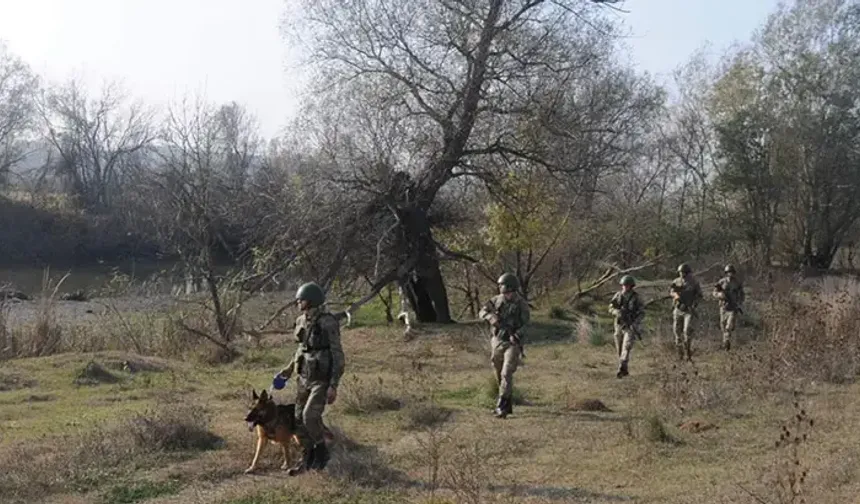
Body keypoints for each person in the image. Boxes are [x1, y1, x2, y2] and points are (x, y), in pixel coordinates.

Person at [276, 282, 345, 475]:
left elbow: (337, 354)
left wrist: (333, 385)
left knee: (310, 416)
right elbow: (301, 349)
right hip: (304, 376)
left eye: (302, 299)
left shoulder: (327, 322)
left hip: (321, 380)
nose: (298, 302)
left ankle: (322, 453)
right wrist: (289, 370)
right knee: (298, 419)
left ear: (312, 301)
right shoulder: (301, 321)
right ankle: (308, 457)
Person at [478, 273, 530, 419]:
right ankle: (507, 402)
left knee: (506, 373)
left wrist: (517, 335)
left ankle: (502, 406)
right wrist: (490, 317)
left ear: (510, 287)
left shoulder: (521, 304)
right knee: (497, 370)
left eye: (502, 285)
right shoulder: (496, 300)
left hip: (512, 343)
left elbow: (526, 324)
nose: (500, 287)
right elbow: (482, 311)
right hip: (497, 340)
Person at [608, 275, 645, 378]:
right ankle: (624, 368)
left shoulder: (636, 297)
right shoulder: (618, 295)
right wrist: (616, 312)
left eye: (627, 285)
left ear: (631, 286)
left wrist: (635, 323)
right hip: (619, 325)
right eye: (623, 285)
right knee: (619, 347)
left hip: (630, 325)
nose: (625, 287)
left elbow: (642, 312)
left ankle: (621, 367)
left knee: (627, 346)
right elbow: (610, 308)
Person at [669, 263, 703, 361]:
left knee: (687, 331)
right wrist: (675, 295)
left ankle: (688, 353)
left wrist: (694, 304)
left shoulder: (694, 282)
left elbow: (699, 295)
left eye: (683, 272)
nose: (681, 274)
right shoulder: (676, 281)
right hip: (678, 309)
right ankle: (680, 355)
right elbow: (671, 291)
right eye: (680, 272)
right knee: (677, 332)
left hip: (689, 310)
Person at [713, 264, 745, 351]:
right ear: (726, 273)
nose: (730, 274)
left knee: (729, 327)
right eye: (728, 272)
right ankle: (725, 342)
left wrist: (739, 303)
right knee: (723, 326)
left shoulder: (737, 283)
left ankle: (727, 342)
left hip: (733, 308)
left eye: (732, 272)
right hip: (723, 307)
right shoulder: (721, 282)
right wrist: (720, 295)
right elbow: (714, 293)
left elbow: (742, 294)